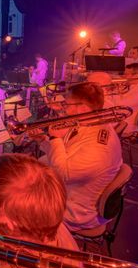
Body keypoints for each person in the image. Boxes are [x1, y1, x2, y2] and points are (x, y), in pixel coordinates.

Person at [38, 82, 122, 232]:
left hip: (74, 212)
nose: (64, 108)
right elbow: (65, 153)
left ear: (83, 108)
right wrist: (42, 141)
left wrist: (55, 138)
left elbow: (63, 174)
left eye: (67, 104)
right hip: (69, 192)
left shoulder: (98, 148)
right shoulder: (90, 124)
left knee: (14, 200)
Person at [112, 63, 138, 136]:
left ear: (136, 76)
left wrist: (115, 91)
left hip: (124, 124)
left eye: (126, 74)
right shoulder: (134, 86)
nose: (124, 76)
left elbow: (120, 105)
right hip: (122, 117)